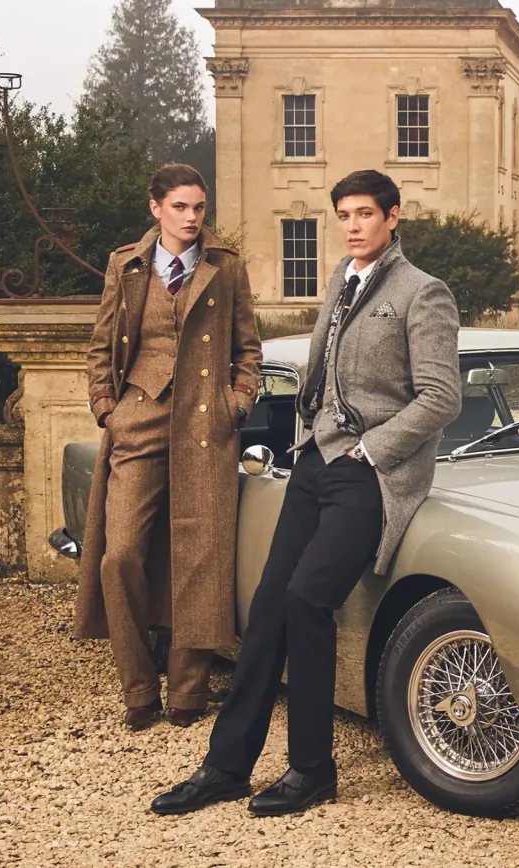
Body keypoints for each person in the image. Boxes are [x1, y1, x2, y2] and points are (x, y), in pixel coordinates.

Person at [151, 169, 462, 816]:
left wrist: (372, 449)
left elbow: (441, 397)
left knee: (305, 600)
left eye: (364, 214)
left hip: (372, 472)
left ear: (393, 217)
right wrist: (310, 436)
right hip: (317, 463)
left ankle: (313, 769)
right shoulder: (338, 283)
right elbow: (320, 380)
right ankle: (227, 766)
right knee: (266, 609)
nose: (352, 225)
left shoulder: (422, 292)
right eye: (343, 215)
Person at [76, 163, 261, 731]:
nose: (191, 217)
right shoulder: (125, 264)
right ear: (155, 207)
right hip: (138, 416)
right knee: (120, 553)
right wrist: (108, 406)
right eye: (180, 206)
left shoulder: (225, 266)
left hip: (206, 424)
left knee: (199, 557)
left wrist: (238, 402)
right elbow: (100, 344)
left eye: (199, 207)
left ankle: (188, 690)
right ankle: (138, 687)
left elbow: (248, 348)